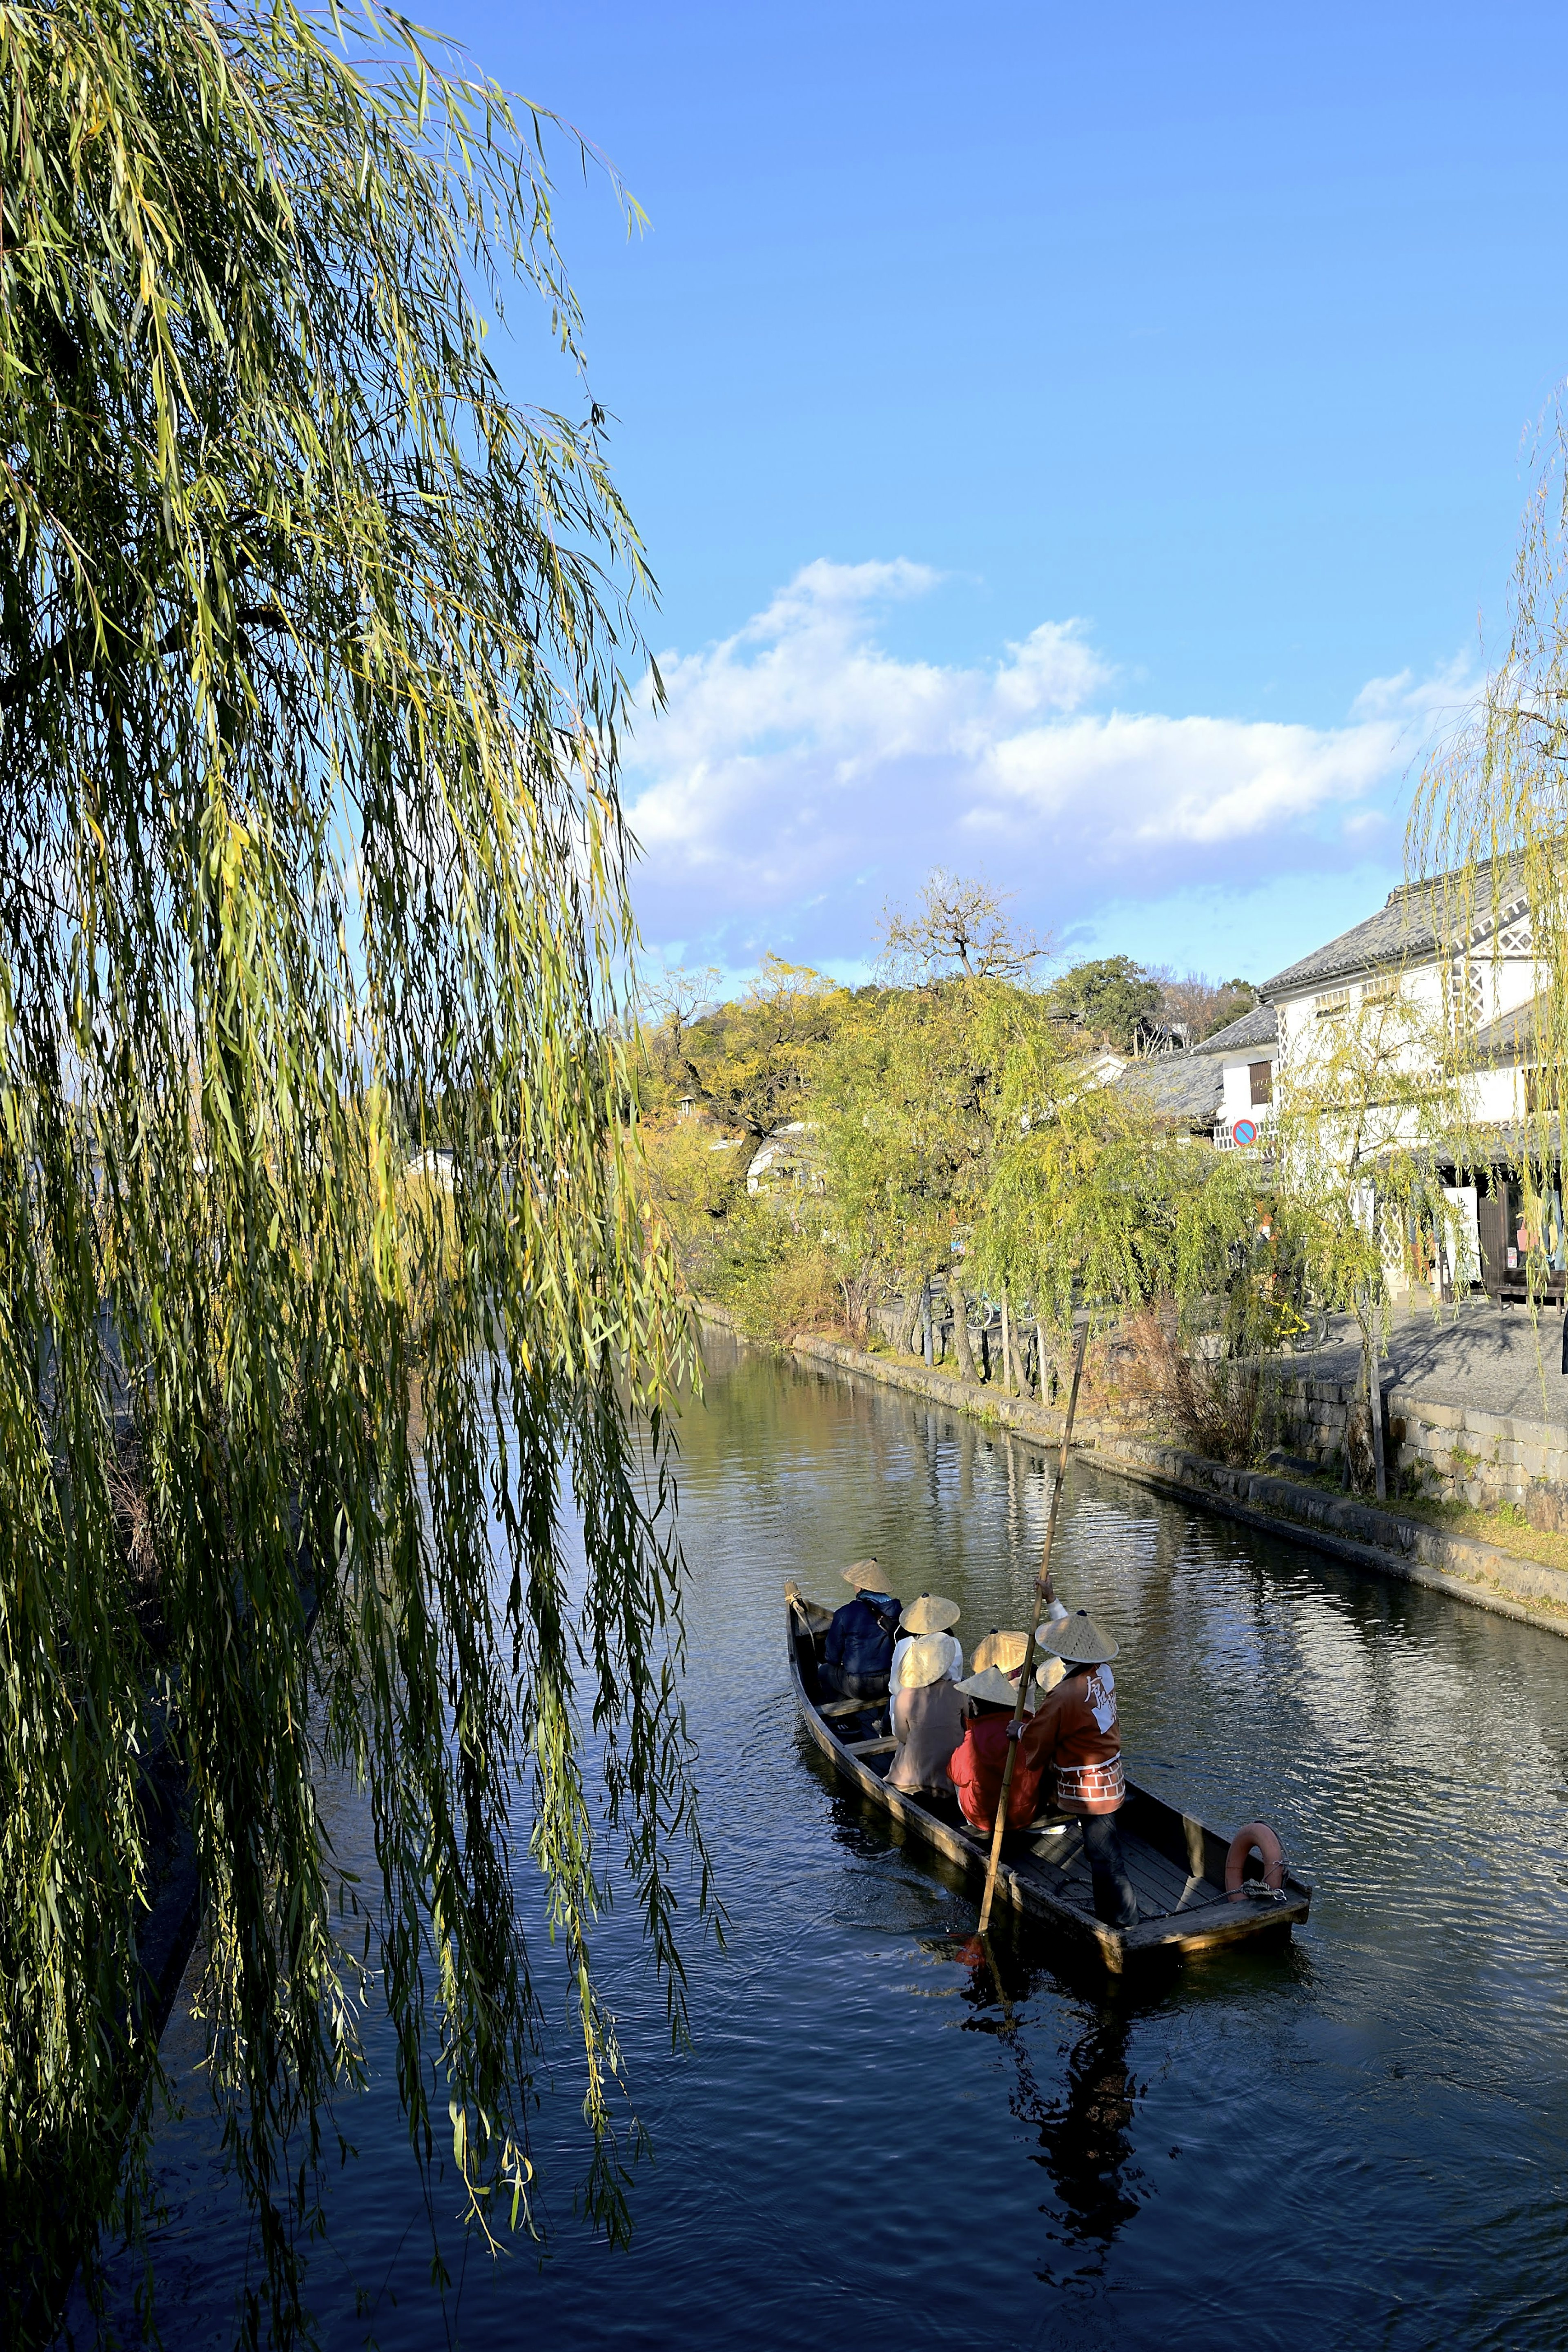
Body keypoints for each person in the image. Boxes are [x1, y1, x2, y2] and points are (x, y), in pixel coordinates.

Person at [1020, 1608, 1138, 1928]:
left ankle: (1124, 1921)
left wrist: (1018, 1731)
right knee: (1102, 1851)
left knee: (1105, 1857)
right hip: (1112, 1775)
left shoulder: (1064, 1694)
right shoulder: (1104, 1672)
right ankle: (1110, 1914)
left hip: (1091, 1787)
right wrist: (1054, 1600)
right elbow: (1077, 1635)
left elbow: (1038, 1734)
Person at [948, 1664, 1045, 1835]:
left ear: (979, 1704)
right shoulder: (1027, 1725)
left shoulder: (975, 1737)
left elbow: (956, 1773)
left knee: (959, 1772)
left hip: (985, 1817)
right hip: (1026, 1812)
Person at [886, 1632, 966, 1797]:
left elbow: (903, 1737)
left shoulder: (905, 1697)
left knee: (904, 1746)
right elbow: (967, 1722)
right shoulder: (958, 1690)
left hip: (916, 1771)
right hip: (952, 1767)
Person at [820, 1559, 902, 1708]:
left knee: (824, 1672)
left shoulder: (845, 1614)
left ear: (860, 1586)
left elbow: (832, 1656)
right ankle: (883, 1714)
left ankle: (846, 1720)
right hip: (894, 1680)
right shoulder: (898, 1611)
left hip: (860, 1686)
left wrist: (841, 1661)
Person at [889, 1593, 962, 1719]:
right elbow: (957, 1678)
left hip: (910, 1710)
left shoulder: (904, 1644)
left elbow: (895, 1686)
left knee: (895, 1698)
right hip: (945, 1710)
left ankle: (889, 1729)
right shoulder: (952, 1643)